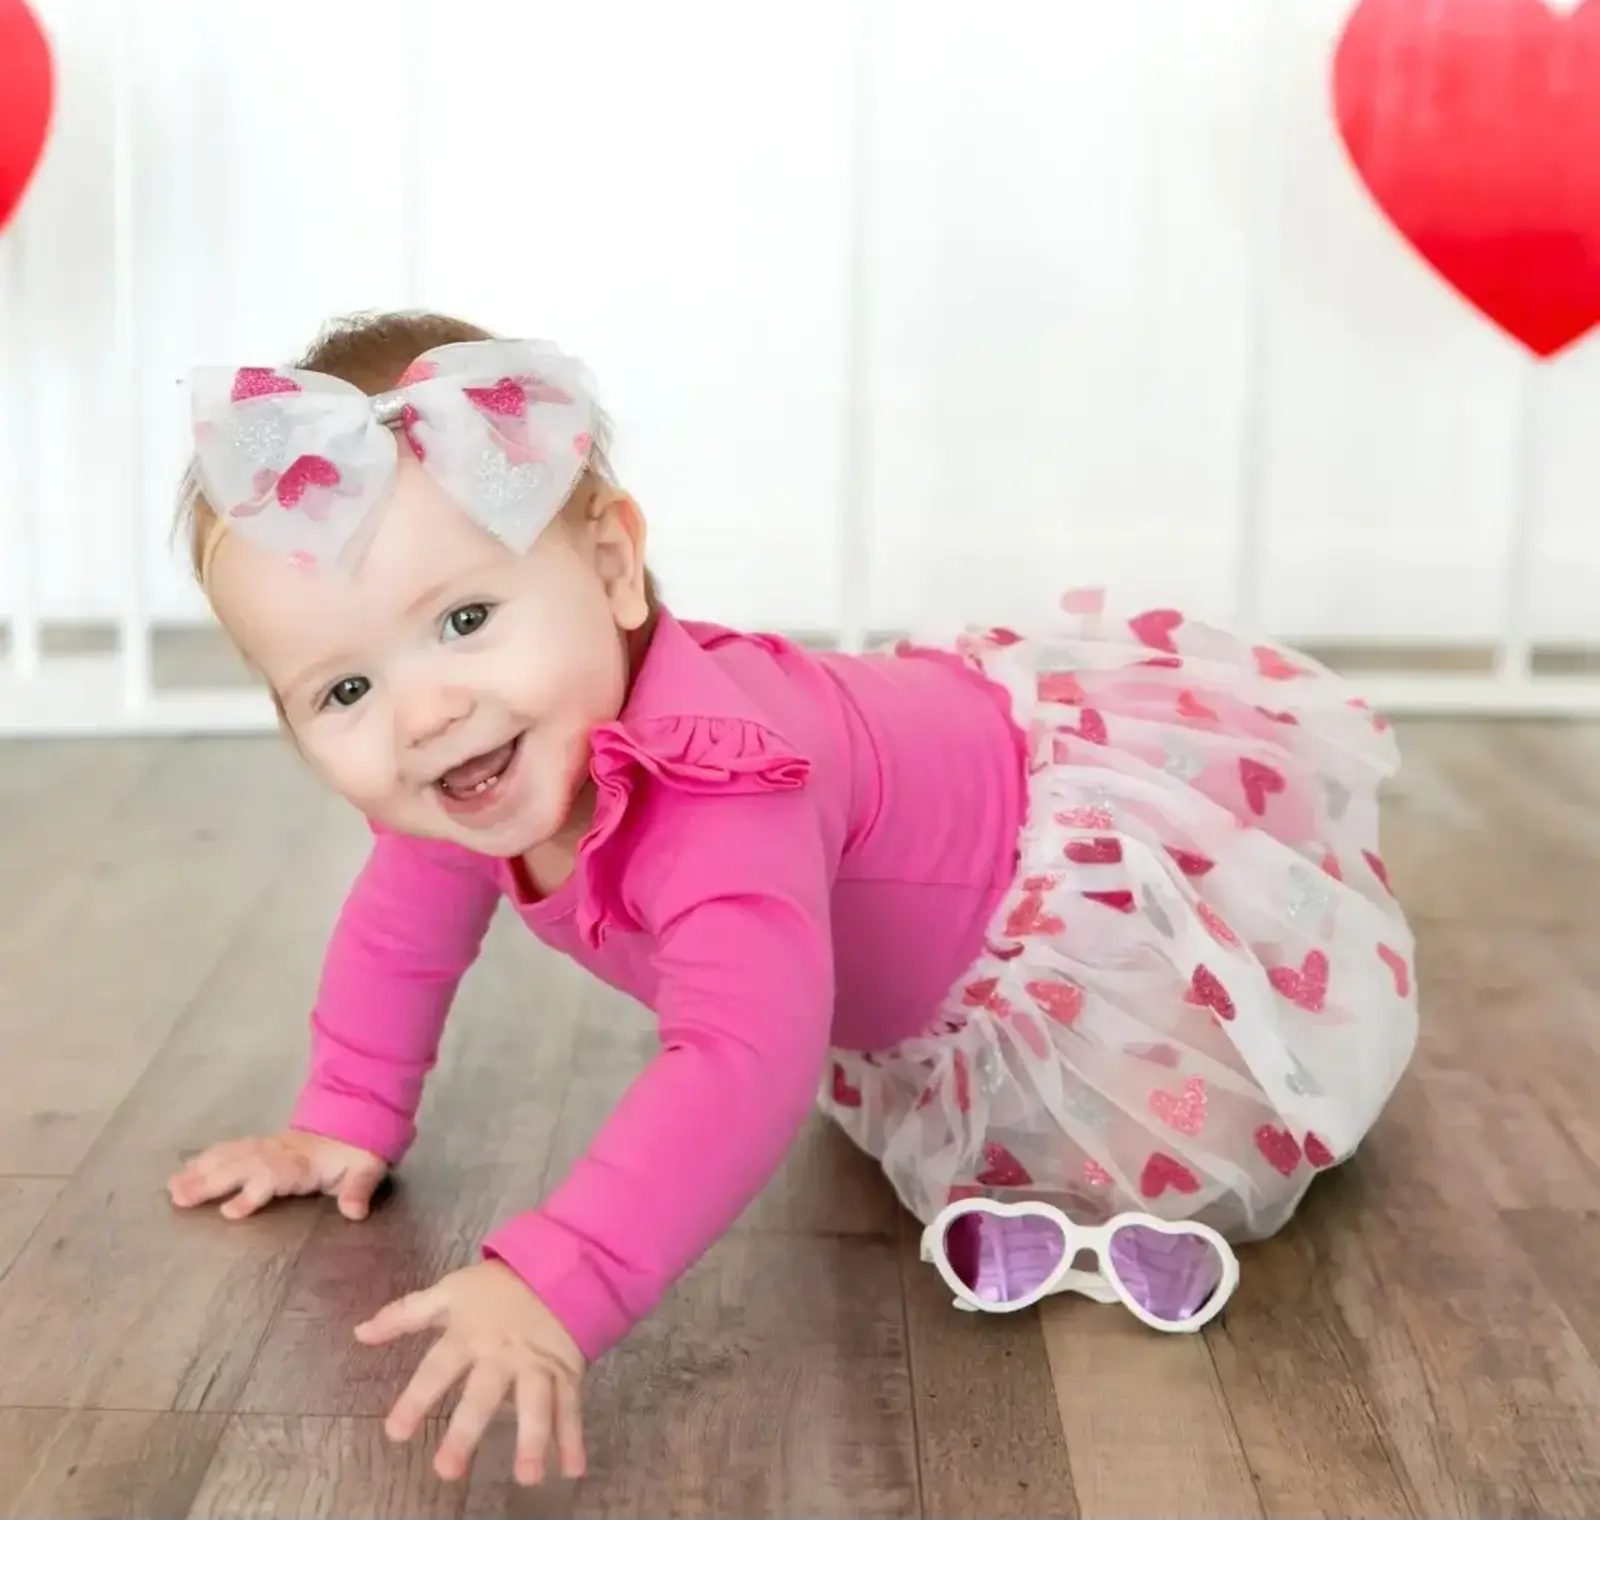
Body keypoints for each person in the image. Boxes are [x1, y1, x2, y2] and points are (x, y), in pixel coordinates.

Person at [168, 313, 1418, 1485]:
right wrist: (345, 1110)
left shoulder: (726, 783)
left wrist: (561, 1277)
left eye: (468, 617)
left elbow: (741, 1057)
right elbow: (403, 928)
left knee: (1174, 1114)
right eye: (342, 692)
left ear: (611, 565)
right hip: (888, 956)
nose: (424, 712)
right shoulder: (477, 765)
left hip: (1052, 890)